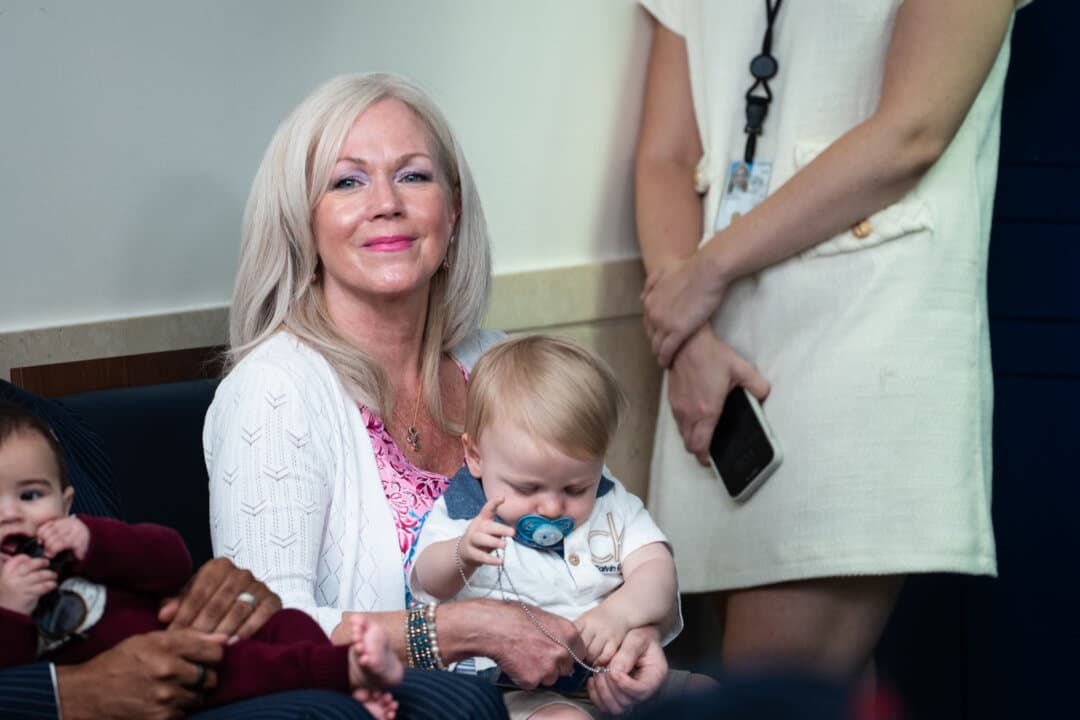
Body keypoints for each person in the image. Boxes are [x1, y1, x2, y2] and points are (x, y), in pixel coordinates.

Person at [203, 72, 668, 718]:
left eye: (414, 175)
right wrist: (467, 629)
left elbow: (607, 533)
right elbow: (262, 628)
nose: (386, 201)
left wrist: (629, 641)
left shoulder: (497, 360)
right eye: (347, 180)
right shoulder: (272, 391)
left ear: (451, 214)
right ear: (303, 227)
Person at [635, 0, 1030, 681]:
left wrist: (704, 273)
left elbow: (913, 130)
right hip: (712, 338)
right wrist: (687, 332)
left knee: (772, 687)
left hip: (862, 322)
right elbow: (666, 154)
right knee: (809, 689)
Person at [0, 401, 403, 719]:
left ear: (65, 501)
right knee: (249, 668)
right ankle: (346, 671)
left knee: (288, 623)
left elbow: (171, 561)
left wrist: (94, 540)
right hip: (170, 680)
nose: (11, 514)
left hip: (182, 631)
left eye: (31, 495)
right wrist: (12, 609)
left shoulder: (84, 540)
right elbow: (13, 669)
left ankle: (354, 689)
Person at [411, 335, 690, 719]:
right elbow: (428, 580)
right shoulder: (465, 515)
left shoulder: (610, 503)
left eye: (576, 487)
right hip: (512, 689)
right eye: (528, 488)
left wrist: (620, 614)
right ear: (475, 456)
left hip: (610, 674)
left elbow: (657, 569)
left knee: (714, 696)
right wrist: (462, 553)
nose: (553, 506)